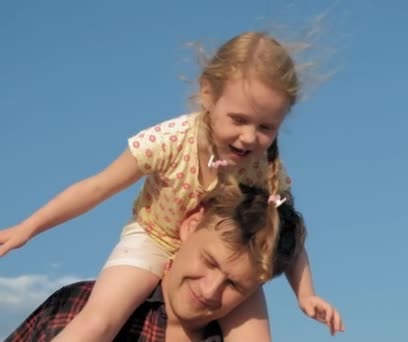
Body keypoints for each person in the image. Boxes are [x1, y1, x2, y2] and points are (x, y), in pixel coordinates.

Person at [0, 31, 340, 341]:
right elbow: (97, 187)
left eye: (267, 127)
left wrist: (305, 293)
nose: (249, 137)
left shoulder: (264, 168)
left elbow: (281, 238)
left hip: (224, 261)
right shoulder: (170, 140)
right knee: (99, 321)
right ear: (208, 93)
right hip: (153, 237)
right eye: (238, 119)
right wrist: (28, 228)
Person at [6, 184, 343, 341]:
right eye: (209, 261)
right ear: (189, 225)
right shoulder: (77, 308)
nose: (210, 290)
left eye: (235, 284)